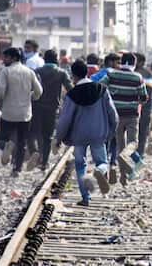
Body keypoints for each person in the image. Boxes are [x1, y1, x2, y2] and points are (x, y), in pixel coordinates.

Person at [55, 59, 118, 206]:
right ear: (87, 73)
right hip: (98, 134)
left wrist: (59, 138)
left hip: (79, 136)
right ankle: (98, 172)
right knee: (102, 162)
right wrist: (111, 130)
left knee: (79, 164)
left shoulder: (72, 94)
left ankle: (86, 197)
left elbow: (65, 119)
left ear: (73, 75)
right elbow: (113, 114)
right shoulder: (102, 89)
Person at [99, 52, 148, 185]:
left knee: (121, 146)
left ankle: (124, 177)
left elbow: (100, 87)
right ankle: (137, 162)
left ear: (121, 62)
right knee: (132, 143)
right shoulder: (138, 77)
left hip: (116, 116)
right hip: (132, 115)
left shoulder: (111, 74)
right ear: (134, 64)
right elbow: (144, 98)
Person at [0, 47, 43, 177]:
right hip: (25, 114)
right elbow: (39, 91)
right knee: (22, 142)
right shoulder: (29, 72)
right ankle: (17, 169)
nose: (4, 60)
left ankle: (7, 146)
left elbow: (0, 91)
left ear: (14, 58)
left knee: (2, 138)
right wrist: (32, 97)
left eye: (6, 57)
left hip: (8, 112)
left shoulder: (6, 71)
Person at [29, 50, 73, 170]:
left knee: (36, 132)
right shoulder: (61, 73)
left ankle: (36, 152)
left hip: (37, 106)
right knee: (47, 135)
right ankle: (44, 162)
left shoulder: (37, 71)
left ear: (44, 59)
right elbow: (70, 89)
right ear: (56, 59)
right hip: (53, 108)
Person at [134, 53, 152, 157]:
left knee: (132, 131)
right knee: (143, 130)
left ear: (141, 62)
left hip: (134, 106)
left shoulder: (134, 73)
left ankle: (132, 153)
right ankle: (140, 152)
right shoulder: (150, 73)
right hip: (146, 106)